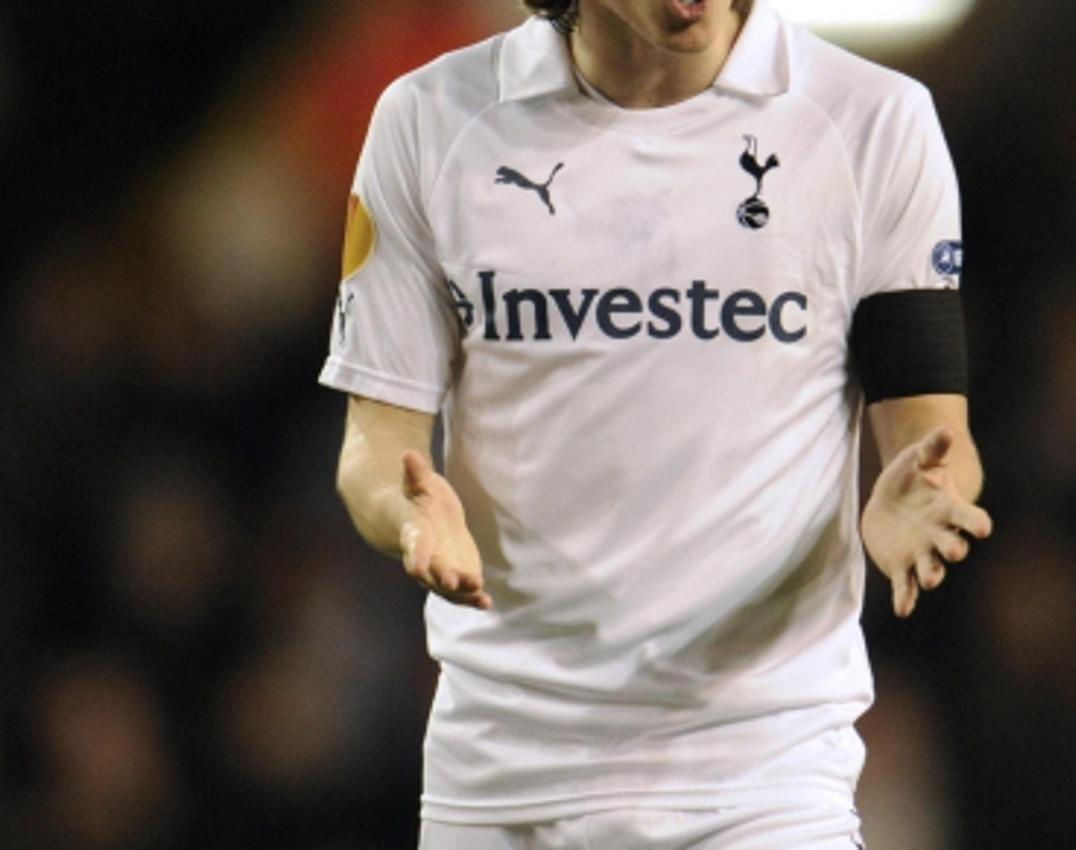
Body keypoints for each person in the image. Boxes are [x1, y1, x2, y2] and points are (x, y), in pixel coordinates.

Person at [320, 0, 992, 846]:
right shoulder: (430, 122)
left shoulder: (872, 121)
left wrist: (925, 493)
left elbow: (934, 437)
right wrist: (407, 510)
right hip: (502, 784)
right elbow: (376, 446)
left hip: (764, 786)